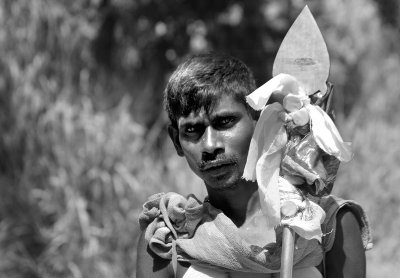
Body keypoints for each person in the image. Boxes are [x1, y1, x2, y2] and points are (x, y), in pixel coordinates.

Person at [136, 53, 371, 278]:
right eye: (192, 130)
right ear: (177, 141)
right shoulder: (167, 235)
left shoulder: (327, 225)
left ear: (258, 120)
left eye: (225, 122)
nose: (209, 145)